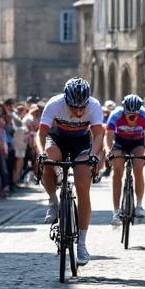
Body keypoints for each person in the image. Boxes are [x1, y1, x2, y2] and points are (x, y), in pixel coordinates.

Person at [38, 77, 105, 265]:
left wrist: (94, 155)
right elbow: (41, 134)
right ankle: (53, 200)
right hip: (57, 139)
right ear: (65, 100)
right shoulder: (55, 104)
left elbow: (99, 133)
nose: (78, 111)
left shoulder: (94, 105)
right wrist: (40, 153)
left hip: (81, 143)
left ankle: (82, 244)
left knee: (83, 186)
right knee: (48, 158)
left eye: (81, 107)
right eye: (73, 107)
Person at [106, 94, 145, 228]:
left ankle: (139, 205)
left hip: (138, 142)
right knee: (117, 171)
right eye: (129, 116)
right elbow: (108, 137)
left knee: (138, 168)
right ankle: (115, 211)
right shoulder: (115, 115)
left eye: (135, 115)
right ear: (123, 112)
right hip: (120, 143)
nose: (133, 118)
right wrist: (109, 151)